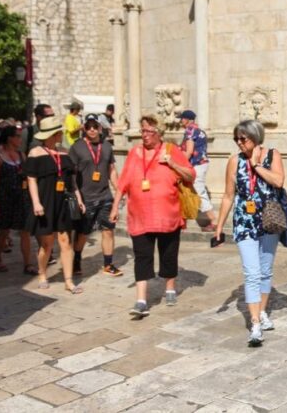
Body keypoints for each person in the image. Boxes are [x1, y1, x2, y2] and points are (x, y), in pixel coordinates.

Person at [110, 115, 194, 317]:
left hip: (168, 214)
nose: (145, 135)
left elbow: (190, 175)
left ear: (159, 134)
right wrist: (115, 207)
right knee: (142, 256)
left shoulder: (171, 151)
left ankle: (170, 287)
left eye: (149, 132)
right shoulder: (134, 153)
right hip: (140, 216)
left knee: (168, 253)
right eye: (143, 131)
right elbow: (123, 183)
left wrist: (172, 163)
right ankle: (141, 300)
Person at [213, 119, 285, 346]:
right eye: (236, 139)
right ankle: (255, 323)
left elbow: (279, 181)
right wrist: (219, 226)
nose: (238, 143)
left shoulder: (273, 155)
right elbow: (228, 195)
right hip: (245, 222)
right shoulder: (234, 161)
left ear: (255, 137)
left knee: (265, 270)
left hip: (269, 221)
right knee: (251, 272)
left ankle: (262, 312)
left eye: (242, 139)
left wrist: (256, 166)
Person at [24, 116, 85, 293]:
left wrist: (78, 198)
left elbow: (71, 181)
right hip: (45, 201)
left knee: (66, 242)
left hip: (63, 202)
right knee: (47, 243)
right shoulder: (35, 153)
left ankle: (68, 281)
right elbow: (31, 179)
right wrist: (36, 202)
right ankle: (42, 273)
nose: (61, 135)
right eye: (59, 132)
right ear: (52, 134)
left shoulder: (65, 153)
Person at [69, 114, 121, 277]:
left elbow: (111, 170)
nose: (92, 129)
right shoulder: (77, 147)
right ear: (84, 128)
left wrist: (119, 191)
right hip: (86, 197)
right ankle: (76, 260)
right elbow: (71, 175)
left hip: (105, 195)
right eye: (88, 126)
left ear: (100, 127)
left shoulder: (106, 146)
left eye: (95, 126)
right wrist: (77, 197)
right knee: (84, 233)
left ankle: (108, 263)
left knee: (108, 230)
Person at [0, 126, 35, 273]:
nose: (20, 139)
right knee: (4, 231)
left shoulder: (22, 155)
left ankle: (27, 264)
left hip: (21, 197)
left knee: (25, 231)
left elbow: (27, 176)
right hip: (5, 197)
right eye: (18, 136)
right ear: (9, 138)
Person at [179, 109, 217, 230]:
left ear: (188, 120)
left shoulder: (190, 131)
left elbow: (189, 152)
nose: (180, 121)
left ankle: (214, 220)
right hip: (201, 163)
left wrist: (176, 162)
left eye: (182, 118)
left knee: (199, 191)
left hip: (196, 165)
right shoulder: (199, 131)